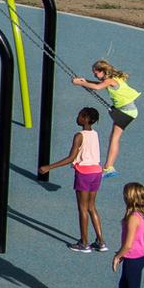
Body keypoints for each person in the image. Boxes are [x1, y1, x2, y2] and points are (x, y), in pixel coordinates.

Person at [41, 107, 106, 252]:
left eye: (80, 116)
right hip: (96, 172)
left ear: (86, 118)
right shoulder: (94, 134)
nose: (77, 118)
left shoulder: (79, 135)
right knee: (91, 207)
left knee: (82, 209)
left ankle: (84, 243)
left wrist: (49, 167)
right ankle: (101, 241)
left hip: (84, 174)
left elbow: (71, 158)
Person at [72, 60, 139, 176]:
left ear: (103, 71)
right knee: (114, 137)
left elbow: (97, 87)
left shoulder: (110, 80)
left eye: (96, 73)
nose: (95, 75)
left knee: (114, 138)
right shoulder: (113, 78)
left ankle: (108, 167)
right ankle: (109, 166)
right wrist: (85, 81)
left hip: (126, 111)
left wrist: (81, 83)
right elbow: (97, 84)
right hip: (127, 110)